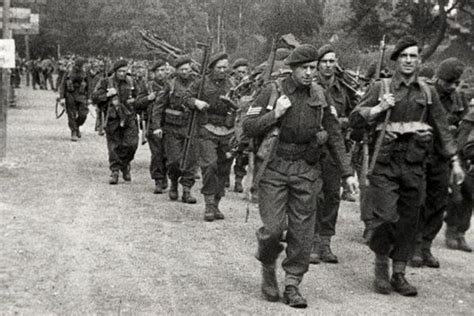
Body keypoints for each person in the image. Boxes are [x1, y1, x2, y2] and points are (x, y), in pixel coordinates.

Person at [243, 44, 357, 308]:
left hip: (306, 169)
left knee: (302, 233)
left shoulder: (320, 94)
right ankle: (268, 264)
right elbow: (248, 127)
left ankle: (293, 282)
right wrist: (276, 113)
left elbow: (334, 135)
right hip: (274, 167)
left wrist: (348, 173)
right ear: (291, 69)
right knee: (272, 230)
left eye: (312, 68)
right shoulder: (271, 91)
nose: (309, 73)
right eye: (303, 68)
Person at [349, 36, 464, 296]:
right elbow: (355, 118)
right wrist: (379, 108)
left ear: (420, 60)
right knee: (385, 218)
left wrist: (454, 161)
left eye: (413, 56)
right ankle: (381, 268)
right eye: (404, 56)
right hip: (384, 163)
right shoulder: (382, 87)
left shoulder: (427, 91)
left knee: (409, 222)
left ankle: (398, 274)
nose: (409, 61)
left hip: (414, 165)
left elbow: (442, 130)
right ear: (396, 60)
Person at [410, 58, 468, 268]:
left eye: (456, 83)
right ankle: (414, 246)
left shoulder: (457, 97)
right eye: (448, 82)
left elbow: (463, 122)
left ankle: (426, 245)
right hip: (420, 154)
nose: (452, 87)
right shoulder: (424, 92)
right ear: (438, 78)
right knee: (419, 200)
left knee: (439, 202)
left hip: (443, 156)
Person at [309, 44, 358, 265]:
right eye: (325, 61)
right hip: (312, 149)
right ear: (318, 64)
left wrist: (340, 122)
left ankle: (325, 243)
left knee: (331, 196)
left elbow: (355, 118)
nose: (329, 65)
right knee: (312, 195)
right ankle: (311, 241)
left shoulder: (344, 90)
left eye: (332, 61)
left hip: (335, 150)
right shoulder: (310, 85)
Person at [184, 52, 235, 221]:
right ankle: (208, 204)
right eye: (219, 67)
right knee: (210, 165)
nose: (222, 70)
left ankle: (216, 204)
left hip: (227, 131)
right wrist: (196, 102)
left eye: (225, 67)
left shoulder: (232, 83)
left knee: (223, 169)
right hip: (206, 129)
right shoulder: (201, 83)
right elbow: (186, 97)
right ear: (212, 68)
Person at [151, 56, 198, 203]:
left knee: (190, 161)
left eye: (188, 69)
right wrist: (157, 126)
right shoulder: (170, 85)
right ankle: (173, 183)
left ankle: (187, 190)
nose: (185, 72)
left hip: (191, 126)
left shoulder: (197, 84)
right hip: (172, 129)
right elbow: (158, 107)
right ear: (177, 71)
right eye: (182, 69)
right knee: (173, 160)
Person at [92, 59, 139, 185]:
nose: (123, 74)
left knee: (132, 144)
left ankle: (124, 164)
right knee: (114, 146)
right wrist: (107, 95)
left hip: (129, 117)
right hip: (113, 118)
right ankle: (115, 171)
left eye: (125, 71)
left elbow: (139, 96)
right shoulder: (106, 82)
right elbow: (94, 98)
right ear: (115, 71)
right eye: (120, 71)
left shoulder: (132, 81)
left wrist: (134, 100)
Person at [444, 108, 473, 252]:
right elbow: (462, 145)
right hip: (461, 161)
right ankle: (451, 229)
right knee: (456, 197)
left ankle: (461, 233)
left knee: (469, 198)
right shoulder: (470, 118)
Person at [142, 59, 169, 193]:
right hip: (153, 123)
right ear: (153, 73)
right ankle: (158, 179)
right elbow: (137, 103)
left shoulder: (172, 85)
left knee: (168, 153)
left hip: (170, 123)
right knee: (157, 153)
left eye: (163, 70)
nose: (160, 73)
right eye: (157, 71)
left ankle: (165, 175)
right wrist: (148, 98)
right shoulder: (148, 86)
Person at [59, 58, 90, 142]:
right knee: (71, 114)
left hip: (81, 95)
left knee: (83, 114)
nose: (78, 68)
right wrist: (62, 97)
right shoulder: (68, 72)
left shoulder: (85, 72)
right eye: (77, 66)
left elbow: (89, 85)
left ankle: (76, 126)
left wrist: (89, 98)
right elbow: (62, 85)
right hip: (70, 94)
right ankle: (73, 131)